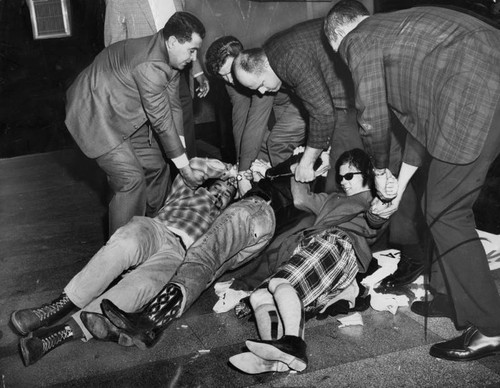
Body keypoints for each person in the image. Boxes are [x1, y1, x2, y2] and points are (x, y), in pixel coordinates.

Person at [325, 0, 500, 361]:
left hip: (475, 89)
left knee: (447, 211)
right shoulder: (396, 35)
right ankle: (447, 294)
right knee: (431, 205)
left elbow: (371, 116)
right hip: (482, 78)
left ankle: (490, 328)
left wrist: (378, 171)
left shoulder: (358, 40)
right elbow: (422, 128)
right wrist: (400, 185)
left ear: (338, 38)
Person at [92, 150, 329, 349]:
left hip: (255, 209)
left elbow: (299, 189)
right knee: (201, 270)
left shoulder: (301, 176)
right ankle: (148, 327)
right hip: (259, 233)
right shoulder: (305, 193)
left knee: (200, 256)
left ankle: (146, 320)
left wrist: (303, 162)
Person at [10, 158, 237, 366]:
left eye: (227, 195)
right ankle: (54, 309)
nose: (221, 194)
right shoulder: (189, 189)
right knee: (125, 242)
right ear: (207, 185)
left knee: (144, 285)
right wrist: (232, 172)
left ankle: (59, 333)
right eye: (218, 187)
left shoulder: (221, 221)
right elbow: (196, 165)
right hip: (156, 228)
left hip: (178, 252)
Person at [228, 148, 392, 374]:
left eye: (349, 176)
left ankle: (294, 345)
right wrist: (303, 169)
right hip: (316, 246)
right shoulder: (333, 199)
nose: (343, 182)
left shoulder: (374, 200)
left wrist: (381, 206)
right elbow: (300, 198)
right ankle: (278, 360)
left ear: (366, 174)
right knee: (260, 296)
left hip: (339, 245)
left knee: (278, 284)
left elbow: (376, 221)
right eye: (340, 176)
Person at [65, 12, 206, 236]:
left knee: (157, 168)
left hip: (126, 111)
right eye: (191, 49)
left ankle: (156, 233)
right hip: (96, 113)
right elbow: (160, 119)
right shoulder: (150, 64)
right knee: (130, 180)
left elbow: (174, 107)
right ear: (172, 42)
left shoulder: (170, 58)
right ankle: (121, 255)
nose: (194, 57)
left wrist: (182, 155)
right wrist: (184, 168)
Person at [232, 18, 364, 193]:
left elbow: (323, 113)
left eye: (261, 84)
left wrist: (307, 162)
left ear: (264, 66)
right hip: (337, 97)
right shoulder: (272, 52)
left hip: (350, 99)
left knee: (342, 172)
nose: (262, 92)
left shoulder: (290, 61)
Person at [103, 0, 210, 159]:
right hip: (141, 80)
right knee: (153, 142)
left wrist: (197, 70)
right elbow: (114, 47)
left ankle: (188, 177)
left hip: (176, 73)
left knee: (183, 127)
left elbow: (187, 34)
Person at [205, 36, 307, 196]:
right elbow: (240, 121)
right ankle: (268, 189)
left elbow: (255, 123)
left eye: (230, 72)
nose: (229, 80)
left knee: (277, 142)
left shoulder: (253, 71)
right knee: (259, 147)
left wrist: (241, 175)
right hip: (279, 103)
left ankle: (291, 193)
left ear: (241, 58)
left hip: (301, 100)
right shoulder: (230, 79)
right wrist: (242, 169)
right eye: (222, 76)